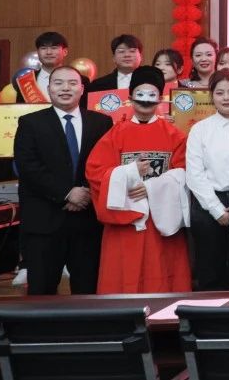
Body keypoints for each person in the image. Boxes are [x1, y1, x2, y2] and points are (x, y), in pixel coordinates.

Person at [86, 65, 191, 293]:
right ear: (131, 97)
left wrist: (151, 188)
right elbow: (95, 171)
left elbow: (184, 173)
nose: (145, 100)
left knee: (162, 273)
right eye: (140, 94)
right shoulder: (115, 134)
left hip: (160, 218)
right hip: (125, 218)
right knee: (124, 273)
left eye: (151, 94)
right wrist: (129, 174)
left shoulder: (175, 135)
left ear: (160, 98)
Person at [14, 65, 112, 295]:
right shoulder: (30, 123)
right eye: (58, 83)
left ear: (82, 89)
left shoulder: (101, 122)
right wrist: (67, 193)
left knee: (88, 292)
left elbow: (108, 164)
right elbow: (28, 166)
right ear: (49, 88)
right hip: (44, 221)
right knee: (42, 292)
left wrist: (85, 192)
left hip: (88, 221)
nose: (65, 88)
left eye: (72, 83)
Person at [186, 70, 229, 290]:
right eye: (219, 93)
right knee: (209, 270)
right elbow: (194, 174)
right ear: (211, 97)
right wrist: (217, 210)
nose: (226, 98)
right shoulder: (200, 130)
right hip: (207, 205)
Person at [13, 31, 78, 103]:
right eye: (43, 48)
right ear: (38, 52)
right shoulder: (25, 82)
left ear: (65, 52)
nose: (48, 52)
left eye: (54, 48)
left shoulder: (79, 80)